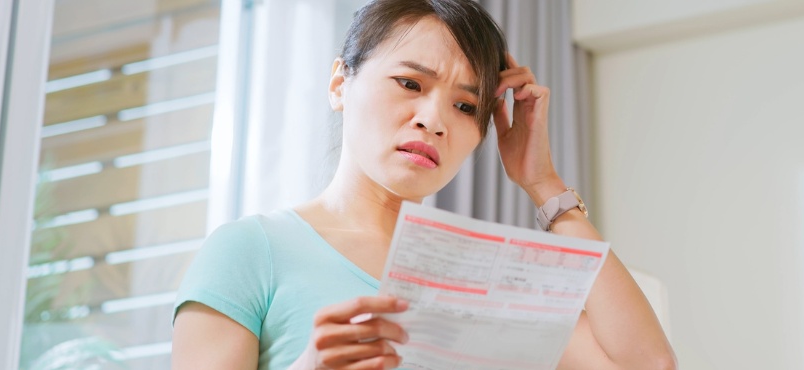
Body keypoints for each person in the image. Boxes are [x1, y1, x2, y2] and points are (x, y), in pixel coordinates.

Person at [170, 0, 676, 369]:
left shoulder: (488, 276)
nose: (434, 121)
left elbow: (648, 365)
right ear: (339, 84)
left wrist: (543, 183)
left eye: (464, 106)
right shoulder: (251, 251)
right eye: (410, 84)